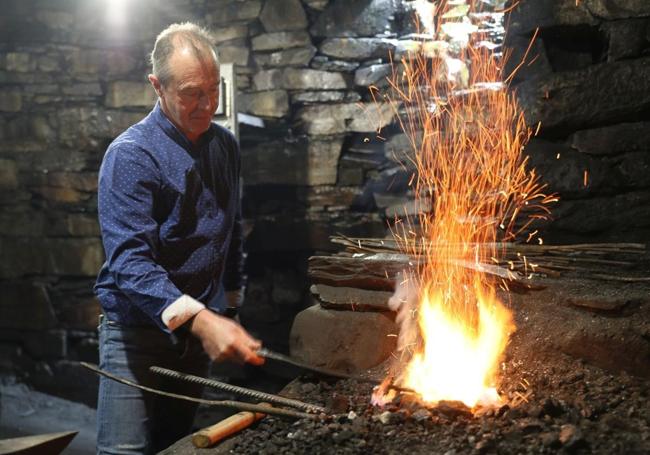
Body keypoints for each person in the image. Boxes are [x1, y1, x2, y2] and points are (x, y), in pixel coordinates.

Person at [94, 22, 263, 454]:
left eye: (213, 89)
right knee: (124, 452)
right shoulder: (131, 155)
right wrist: (204, 321)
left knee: (176, 448)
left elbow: (230, 229)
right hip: (136, 333)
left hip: (192, 335)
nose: (207, 105)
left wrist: (230, 306)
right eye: (191, 92)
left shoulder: (224, 146)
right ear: (157, 86)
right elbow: (130, 263)